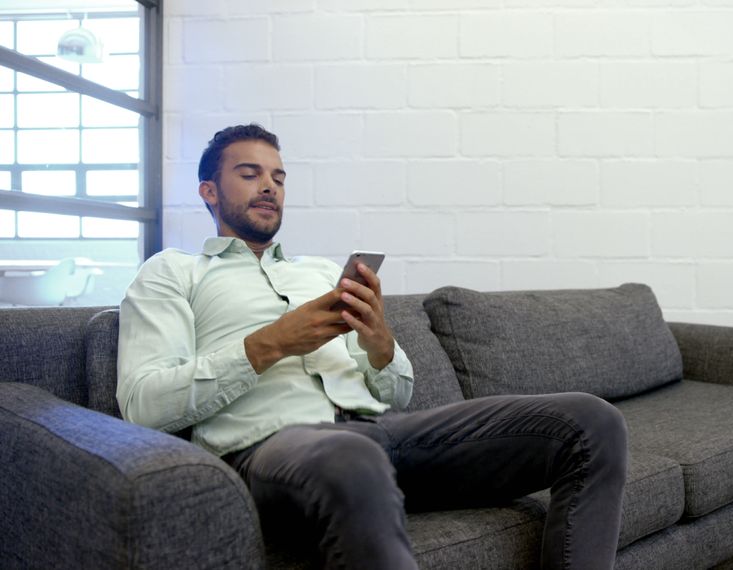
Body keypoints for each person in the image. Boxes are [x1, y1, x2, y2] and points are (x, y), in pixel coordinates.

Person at [116, 124, 628, 569]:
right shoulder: (172, 272)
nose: (269, 186)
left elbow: (398, 394)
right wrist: (269, 344)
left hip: (380, 432)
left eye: (278, 176)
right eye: (250, 174)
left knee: (589, 421)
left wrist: (380, 345)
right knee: (350, 454)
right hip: (270, 450)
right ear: (209, 190)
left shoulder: (317, 272)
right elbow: (143, 405)